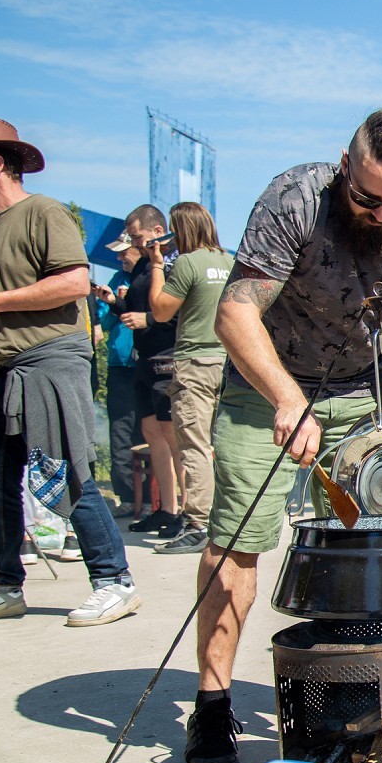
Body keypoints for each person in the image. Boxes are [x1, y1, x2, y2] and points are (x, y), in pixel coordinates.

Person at [185, 109, 382, 763]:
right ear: (344, 166)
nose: (380, 212)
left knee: (370, 540)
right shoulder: (295, 199)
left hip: (362, 389)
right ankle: (212, 704)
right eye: (365, 197)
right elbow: (235, 312)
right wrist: (286, 398)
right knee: (239, 538)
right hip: (267, 380)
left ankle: (355, 699)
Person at [0, 116, 141, 628]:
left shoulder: (43, 212)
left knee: (64, 472)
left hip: (48, 361)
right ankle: (4, 584)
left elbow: (73, 283)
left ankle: (115, 581)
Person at [145, 201, 232, 554]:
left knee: (194, 446)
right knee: (226, 446)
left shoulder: (187, 262)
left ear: (181, 230)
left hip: (194, 364)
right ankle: (228, 520)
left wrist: (156, 265)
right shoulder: (229, 262)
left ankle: (198, 524)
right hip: (229, 363)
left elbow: (160, 310)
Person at [109, 204, 183, 540]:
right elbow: (139, 307)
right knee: (152, 433)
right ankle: (166, 508)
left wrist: (149, 319)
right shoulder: (143, 264)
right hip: (145, 359)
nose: (134, 242)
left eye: (137, 236)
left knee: (173, 435)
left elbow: (177, 310)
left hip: (168, 355)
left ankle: (188, 512)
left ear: (156, 231)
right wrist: (116, 304)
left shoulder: (174, 261)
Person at [95, 245, 141, 517]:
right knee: (120, 432)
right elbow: (102, 323)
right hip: (119, 366)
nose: (120, 257)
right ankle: (127, 496)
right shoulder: (116, 279)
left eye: (125, 251)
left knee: (148, 434)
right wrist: (111, 303)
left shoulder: (155, 275)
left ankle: (153, 500)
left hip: (148, 365)